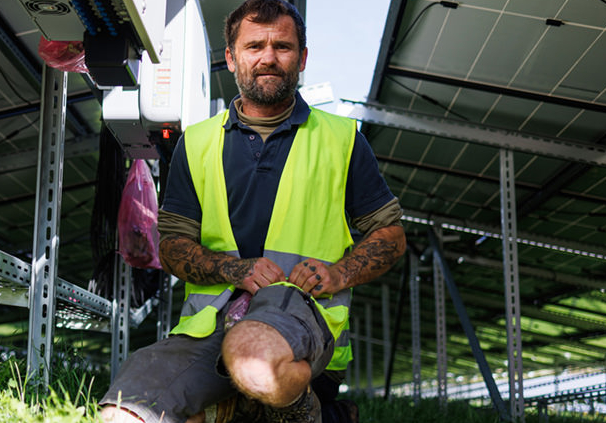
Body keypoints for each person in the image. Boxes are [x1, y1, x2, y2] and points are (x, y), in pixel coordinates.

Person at [100, 0, 406, 422]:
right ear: (230, 58)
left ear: (302, 58)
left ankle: (285, 406)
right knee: (124, 415)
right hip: (207, 327)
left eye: (282, 46)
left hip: (300, 315)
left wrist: (339, 274)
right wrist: (233, 270)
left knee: (252, 360)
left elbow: (389, 236)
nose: (268, 58)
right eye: (254, 46)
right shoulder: (197, 142)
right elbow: (171, 247)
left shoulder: (342, 139)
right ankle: (258, 410)